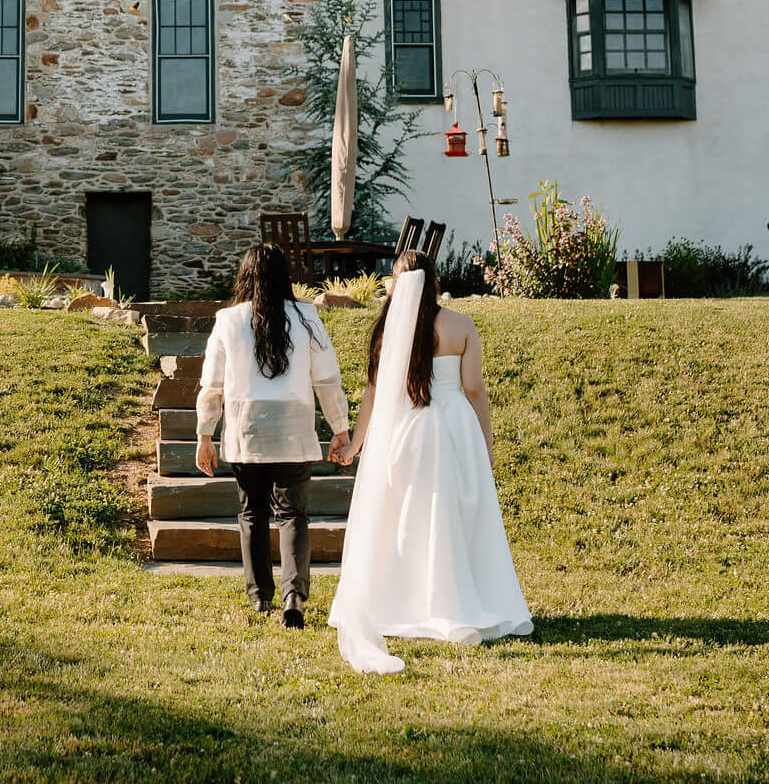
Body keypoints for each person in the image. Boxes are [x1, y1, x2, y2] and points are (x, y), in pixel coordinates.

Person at [327, 250, 532, 674]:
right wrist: (486, 443)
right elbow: (473, 390)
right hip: (455, 431)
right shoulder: (460, 325)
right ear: (434, 280)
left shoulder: (389, 332)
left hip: (408, 433)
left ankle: (404, 602)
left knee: (408, 520)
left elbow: (373, 393)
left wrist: (356, 445)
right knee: (457, 517)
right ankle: (456, 600)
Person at [194, 243, 351, 627]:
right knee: (293, 515)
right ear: (285, 276)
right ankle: (293, 596)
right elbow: (327, 381)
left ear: (245, 277)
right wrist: (340, 429)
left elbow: (211, 387)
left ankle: (260, 597)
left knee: (252, 513)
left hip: (247, 430)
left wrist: (204, 435)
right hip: (295, 428)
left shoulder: (228, 320)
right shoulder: (308, 317)